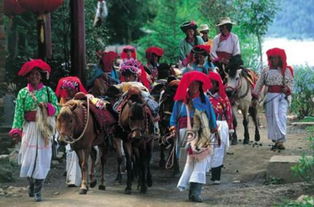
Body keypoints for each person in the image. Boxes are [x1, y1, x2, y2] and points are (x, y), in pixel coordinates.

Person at [9, 59, 59, 202]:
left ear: (41, 76)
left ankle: (38, 190)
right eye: (31, 75)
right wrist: (16, 130)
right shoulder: (23, 93)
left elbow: (58, 108)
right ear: (28, 77)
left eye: (37, 74)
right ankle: (30, 183)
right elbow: (18, 112)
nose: (35, 77)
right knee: (28, 159)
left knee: (42, 159)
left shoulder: (48, 91)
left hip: (44, 129)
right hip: (29, 128)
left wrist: (49, 107)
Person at [170, 71, 217, 202]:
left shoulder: (205, 99)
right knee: (190, 160)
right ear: (188, 85)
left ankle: (195, 192)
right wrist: (173, 128)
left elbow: (211, 116)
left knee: (201, 160)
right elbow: (174, 117)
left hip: (203, 132)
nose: (194, 86)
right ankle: (192, 190)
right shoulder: (180, 100)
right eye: (192, 84)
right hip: (185, 131)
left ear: (200, 86)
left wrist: (214, 129)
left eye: (197, 84)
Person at [253, 48, 293, 150]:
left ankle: (281, 140)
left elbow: (290, 84)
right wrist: (255, 95)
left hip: (282, 97)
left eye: (276, 58)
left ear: (280, 59)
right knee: (272, 118)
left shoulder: (287, 70)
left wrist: (287, 89)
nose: (274, 60)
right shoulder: (266, 70)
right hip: (270, 96)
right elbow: (259, 83)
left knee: (281, 116)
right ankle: (277, 140)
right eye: (272, 58)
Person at [55, 76, 87, 187]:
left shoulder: (81, 101)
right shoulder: (62, 102)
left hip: (79, 132)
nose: (69, 92)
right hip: (66, 132)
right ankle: (71, 179)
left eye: (72, 90)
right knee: (70, 153)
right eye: (67, 90)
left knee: (80, 154)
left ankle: (80, 179)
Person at [114, 59, 160, 136]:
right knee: (115, 108)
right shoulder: (123, 84)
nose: (127, 78)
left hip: (140, 96)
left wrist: (140, 92)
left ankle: (155, 128)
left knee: (152, 108)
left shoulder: (139, 84)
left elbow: (144, 90)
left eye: (129, 76)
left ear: (135, 76)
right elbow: (118, 87)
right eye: (125, 76)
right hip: (126, 97)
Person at [207, 72, 233, 184]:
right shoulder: (204, 97)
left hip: (221, 126)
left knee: (218, 151)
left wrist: (230, 128)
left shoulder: (223, 98)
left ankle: (216, 176)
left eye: (212, 83)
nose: (210, 85)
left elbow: (229, 113)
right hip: (207, 126)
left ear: (217, 85)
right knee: (207, 150)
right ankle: (204, 172)